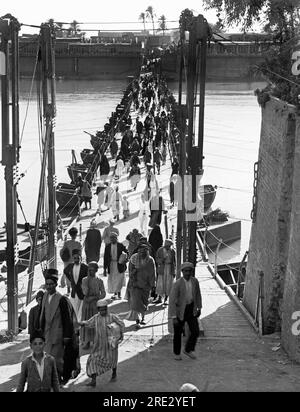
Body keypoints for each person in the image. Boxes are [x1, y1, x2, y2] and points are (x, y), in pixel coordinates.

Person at [79, 299, 125, 387]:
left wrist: (118, 332)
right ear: (98, 310)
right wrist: (81, 323)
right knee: (93, 359)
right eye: (101, 309)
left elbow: (121, 324)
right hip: (99, 344)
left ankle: (114, 373)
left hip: (111, 345)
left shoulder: (112, 317)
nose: (103, 311)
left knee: (112, 360)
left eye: (104, 309)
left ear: (107, 308)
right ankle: (93, 380)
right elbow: (89, 323)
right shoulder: (96, 318)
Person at [39, 269, 75, 382]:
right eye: (47, 284)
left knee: (56, 358)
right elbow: (42, 315)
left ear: (56, 284)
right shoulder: (44, 296)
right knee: (46, 358)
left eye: (51, 284)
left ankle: (58, 378)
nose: (49, 287)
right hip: (47, 334)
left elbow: (67, 319)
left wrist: (67, 336)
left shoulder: (62, 299)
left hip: (58, 335)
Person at [168, 262, 202, 361]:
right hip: (180, 310)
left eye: (189, 271)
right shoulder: (177, 284)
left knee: (195, 331)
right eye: (186, 271)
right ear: (182, 272)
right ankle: (177, 353)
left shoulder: (195, 281)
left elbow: (198, 295)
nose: (188, 273)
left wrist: (199, 307)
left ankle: (188, 349)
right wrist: (174, 317)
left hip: (191, 309)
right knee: (178, 333)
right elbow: (172, 301)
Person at [126, 243, 156, 329]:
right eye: (140, 251)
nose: (142, 253)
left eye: (144, 252)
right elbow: (130, 271)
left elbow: (153, 273)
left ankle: (143, 318)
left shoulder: (150, 260)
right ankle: (137, 320)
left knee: (144, 302)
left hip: (146, 285)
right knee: (136, 302)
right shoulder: (134, 259)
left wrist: (153, 284)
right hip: (135, 285)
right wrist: (134, 271)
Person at [81, 262, 106, 350]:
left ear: (96, 270)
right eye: (89, 270)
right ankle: (87, 341)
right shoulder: (84, 280)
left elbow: (103, 294)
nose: (90, 272)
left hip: (95, 305)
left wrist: (95, 297)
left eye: (92, 270)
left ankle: (96, 342)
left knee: (96, 323)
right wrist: (87, 281)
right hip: (87, 305)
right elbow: (85, 293)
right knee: (87, 322)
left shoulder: (99, 281)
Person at [63, 250, 88, 322]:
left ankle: (80, 323)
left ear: (81, 259)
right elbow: (65, 271)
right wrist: (71, 280)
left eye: (78, 258)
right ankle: (75, 323)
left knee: (81, 309)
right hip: (74, 291)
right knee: (73, 308)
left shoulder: (85, 267)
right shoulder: (70, 266)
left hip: (82, 292)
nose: (76, 260)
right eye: (75, 258)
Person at [104, 231, 128, 300]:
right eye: (111, 238)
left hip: (119, 264)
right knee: (113, 279)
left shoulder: (121, 245)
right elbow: (105, 258)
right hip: (111, 265)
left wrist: (125, 259)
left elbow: (127, 253)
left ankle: (119, 294)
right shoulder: (108, 246)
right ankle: (115, 294)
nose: (112, 239)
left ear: (116, 238)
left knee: (119, 279)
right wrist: (104, 269)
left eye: (114, 238)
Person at [59, 227, 82, 294]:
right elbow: (80, 254)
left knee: (67, 275)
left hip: (67, 262)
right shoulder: (78, 243)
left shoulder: (66, 243)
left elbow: (61, 251)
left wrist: (63, 259)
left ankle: (68, 289)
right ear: (76, 234)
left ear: (70, 234)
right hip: (75, 262)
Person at [155, 239, 176, 305]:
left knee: (169, 283)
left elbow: (174, 262)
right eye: (167, 246)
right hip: (162, 267)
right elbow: (157, 259)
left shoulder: (172, 251)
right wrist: (162, 260)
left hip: (170, 268)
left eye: (169, 246)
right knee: (161, 283)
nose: (168, 247)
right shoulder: (160, 250)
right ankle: (159, 298)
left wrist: (174, 271)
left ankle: (166, 299)